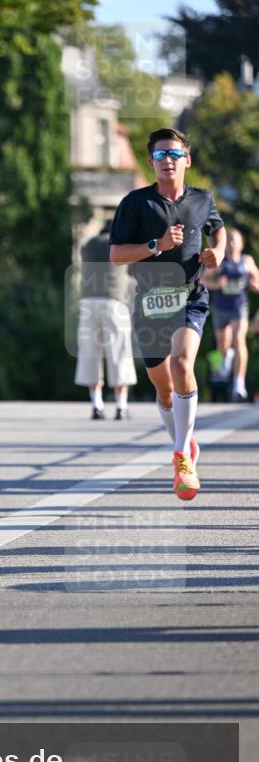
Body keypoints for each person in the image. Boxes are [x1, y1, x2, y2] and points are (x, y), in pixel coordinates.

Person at [110, 128, 226, 501]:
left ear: (187, 160)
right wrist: (155, 246)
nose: (168, 161)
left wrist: (218, 253)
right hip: (150, 303)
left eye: (174, 154)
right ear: (151, 163)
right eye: (160, 156)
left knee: (181, 364)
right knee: (163, 391)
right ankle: (184, 444)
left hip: (190, 296)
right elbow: (116, 255)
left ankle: (181, 453)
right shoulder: (135, 203)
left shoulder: (202, 199)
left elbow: (218, 231)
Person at [74, 218, 137, 420]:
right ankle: (121, 406)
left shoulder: (88, 245)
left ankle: (97, 404)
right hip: (114, 302)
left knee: (91, 353)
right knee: (119, 353)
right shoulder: (120, 245)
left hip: (89, 302)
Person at [202, 228, 259, 401]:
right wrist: (217, 285)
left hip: (239, 306)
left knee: (239, 339)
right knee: (223, 347)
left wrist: (255, 284)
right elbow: (203, 280)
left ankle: (238, 383)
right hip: (220, 307)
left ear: (241, 244)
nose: (233, 241)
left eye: (236, 239)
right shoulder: (220, 262)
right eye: (230, 239)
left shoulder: (246, 261)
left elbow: (257, 279)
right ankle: (226, 357)